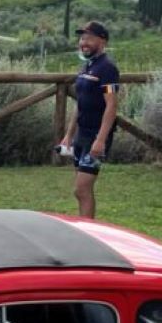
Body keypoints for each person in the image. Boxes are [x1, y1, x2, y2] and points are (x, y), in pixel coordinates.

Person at [57, 20, 119, 219]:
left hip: (96, 135)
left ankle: (89, 230)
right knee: (81, 190)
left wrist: (101, 139)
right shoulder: (85, 68)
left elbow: (111, 105)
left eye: (89, 38)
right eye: (82, 38)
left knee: (81, 189)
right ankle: (85, 226)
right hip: (81, 136)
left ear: (102, 41)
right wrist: (68, 134)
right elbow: (80, 103)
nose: (84, 42)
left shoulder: (107, 69)